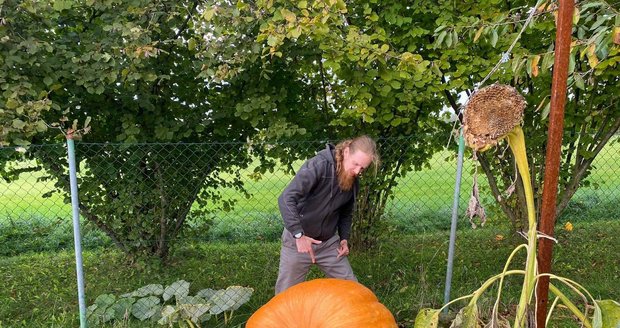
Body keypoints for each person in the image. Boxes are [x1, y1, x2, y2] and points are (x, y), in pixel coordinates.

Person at [275, 135, 380, 294]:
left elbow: (346, 212)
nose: (358, 171)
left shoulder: (353, 181)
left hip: (329, 245)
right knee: (285, 295)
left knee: (353, 291)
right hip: (299, 243)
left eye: (363, 168)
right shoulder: (319, 165)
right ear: (346, 152)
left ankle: (352, 318)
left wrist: (344, 238)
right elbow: (286, 198)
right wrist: (298, 235)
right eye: (356, 164)